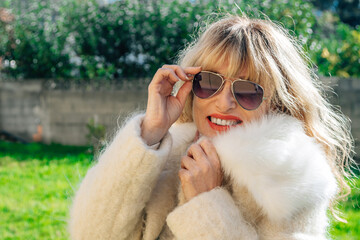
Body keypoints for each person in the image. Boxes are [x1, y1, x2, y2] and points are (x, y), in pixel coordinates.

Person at [69, 15, 354, 240]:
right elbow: (89, 234)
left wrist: (207, 202)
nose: (225, 102)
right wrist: (150, 132)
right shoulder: (164, 155)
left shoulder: (292, 176)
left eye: (248, 90)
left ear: (277, 104)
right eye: (209, 82)